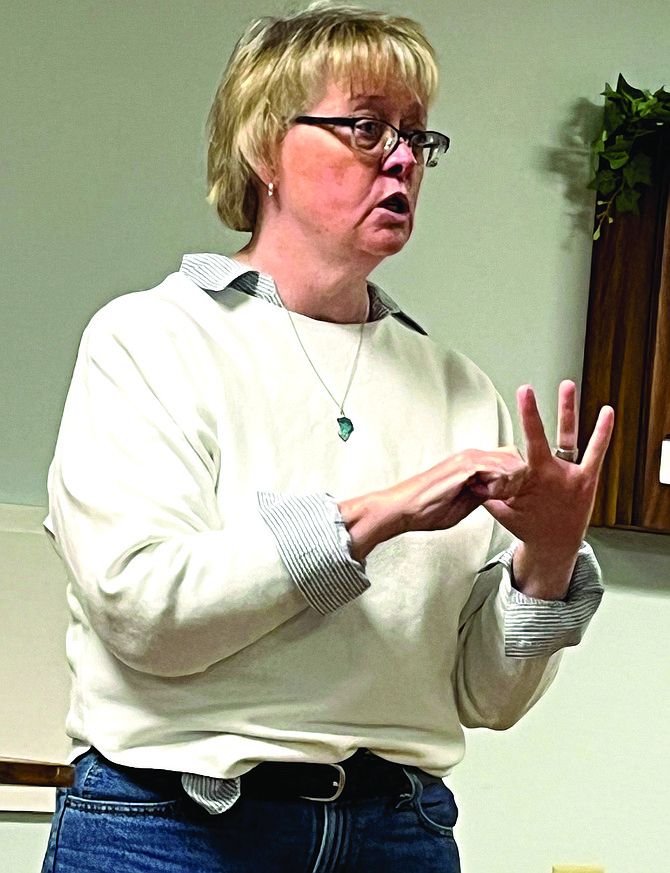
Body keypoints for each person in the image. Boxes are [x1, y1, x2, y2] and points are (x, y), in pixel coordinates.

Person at [40, 3, 614, 872]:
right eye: (367, 126)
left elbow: (485, 696)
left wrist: (549, 558)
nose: (402, 160)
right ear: (264, 147)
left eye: (417, 138)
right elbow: (145, 614)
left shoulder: (461, 388)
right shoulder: (148, 338)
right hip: (171, 830)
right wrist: (374, 515)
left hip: (398, 831)